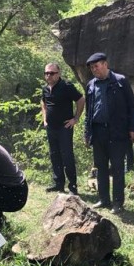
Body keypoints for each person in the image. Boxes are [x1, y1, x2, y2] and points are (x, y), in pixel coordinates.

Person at [83, 52, 134, 214]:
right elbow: (88, 111)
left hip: (117, 132)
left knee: (117, 168)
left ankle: (118, 203)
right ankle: (104, 200)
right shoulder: (91, 85)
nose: (94, 70)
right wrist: (87, 132)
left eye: (96, 66)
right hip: (98, 131)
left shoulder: (120, 81)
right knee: (100, 167)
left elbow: (132, 107)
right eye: (92, 68)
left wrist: (133, 128)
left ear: (105, 64)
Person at [41, 63, 85, 195]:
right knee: (55, 155)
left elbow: (81, 99)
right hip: (51, 128)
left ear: (58, 73)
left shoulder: (66, 86)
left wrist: (75, 118)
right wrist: (44, 119)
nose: (49, 75)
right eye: (46, 73)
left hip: (64, 128)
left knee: (67, 156)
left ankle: (72, 187)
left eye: (52, 73)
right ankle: (58, 184)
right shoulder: (45, 88)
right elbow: (43, 102)